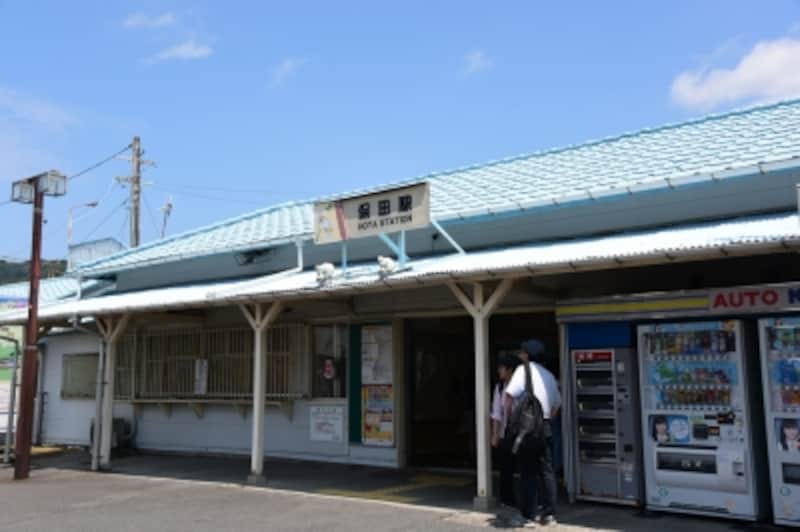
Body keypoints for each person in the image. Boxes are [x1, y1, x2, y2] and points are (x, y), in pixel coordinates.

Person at [504, 339, 561, 528]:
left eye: (522, 352)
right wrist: (544, 420)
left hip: (527, 429)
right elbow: (556, 407)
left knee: (527, 471)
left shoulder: (522, 371)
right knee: (547, 471)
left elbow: (509, 396)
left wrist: (510, 421)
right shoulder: (550, 376)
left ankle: (527, 515)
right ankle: (549, 514)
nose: (520, 355)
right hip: (544, 427)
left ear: (527, 355)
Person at [491, 353, 521, 509]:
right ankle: (507, 499)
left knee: (524, 468)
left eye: (501, 367)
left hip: (522, 434)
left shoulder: (522, 387)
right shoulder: (500, 387)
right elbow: (496, 412)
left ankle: (526, 499)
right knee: (506, 468)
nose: (498, 370)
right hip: (506, 434)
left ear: (510, 370)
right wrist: (495, 434)